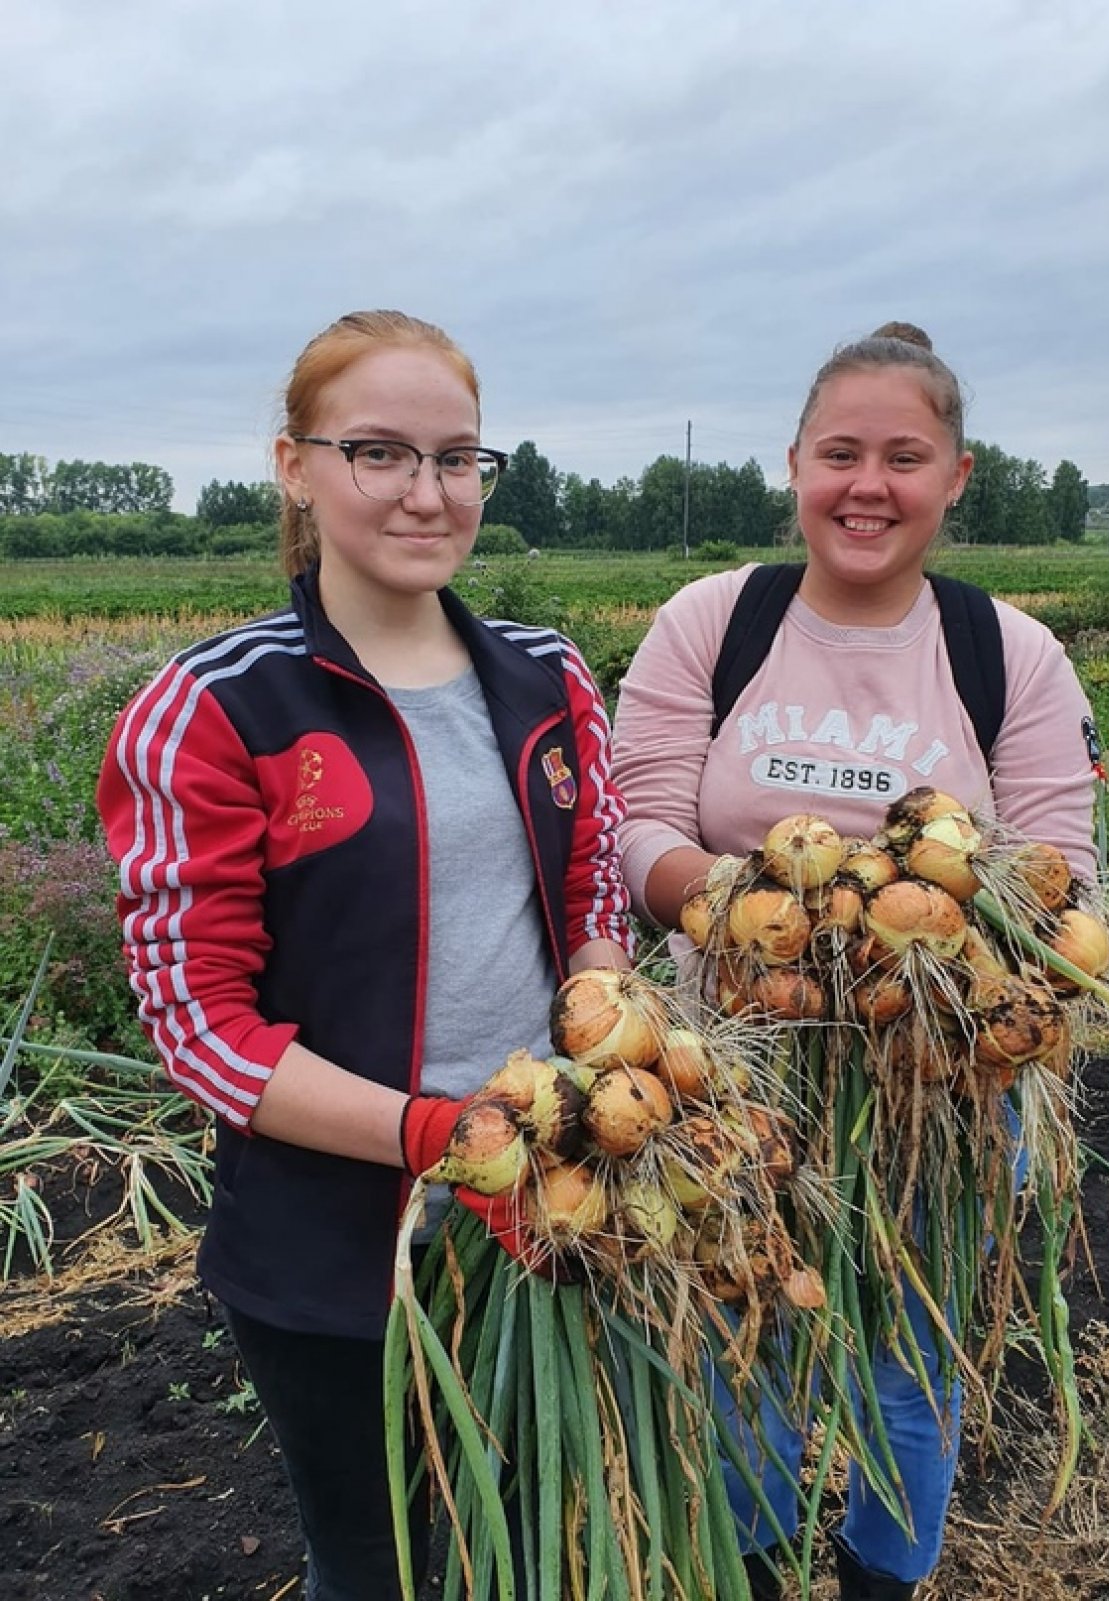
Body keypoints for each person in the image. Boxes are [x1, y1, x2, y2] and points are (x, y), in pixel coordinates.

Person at [97, 309, 633, 1601]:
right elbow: (201, 1030)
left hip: (554, 1203)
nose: (426, 491)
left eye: (457, 458)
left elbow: (592, 903)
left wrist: (615, 1035)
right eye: (380, 453)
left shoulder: (549, 677)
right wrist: (441, 1137)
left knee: (541, 1527)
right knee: (376, 1555)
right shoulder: (217, 706)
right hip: (336, 1240)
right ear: (296, 465)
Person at [610, 321, 1098, 1599]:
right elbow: (639, 823)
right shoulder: (716, 619)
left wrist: (917, 931)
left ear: (955, 475)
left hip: (939, 1081)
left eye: (903, 455)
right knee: (743, 1334)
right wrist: (743, 907)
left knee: (907, 1356)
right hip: (732, 1072)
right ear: (794, 465)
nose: (866, 484)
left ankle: (884, 1572)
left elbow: (1061, 875)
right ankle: (759, 1564)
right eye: (840, 452)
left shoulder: (1010, 653)